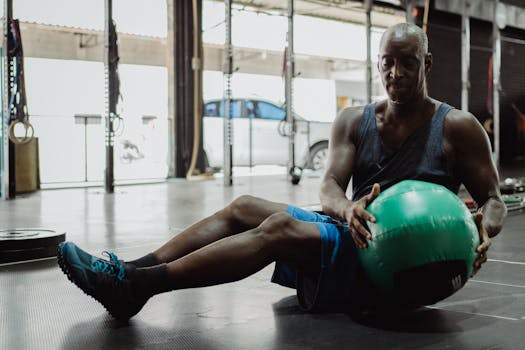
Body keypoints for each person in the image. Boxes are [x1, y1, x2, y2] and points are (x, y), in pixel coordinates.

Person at [58, 23, 507, 320]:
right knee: (244, 206)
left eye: (408, 62)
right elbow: (330, 184)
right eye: (387, 62)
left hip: (396, 261)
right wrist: (347, 207)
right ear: (378, 63)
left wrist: (480, 232)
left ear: (426, 64)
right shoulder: (354, 120)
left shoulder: (457, 127)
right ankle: (126, 270)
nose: (396, 73)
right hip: (354, 231)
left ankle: (138, 288)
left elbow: (493, 199)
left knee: (277, 227)